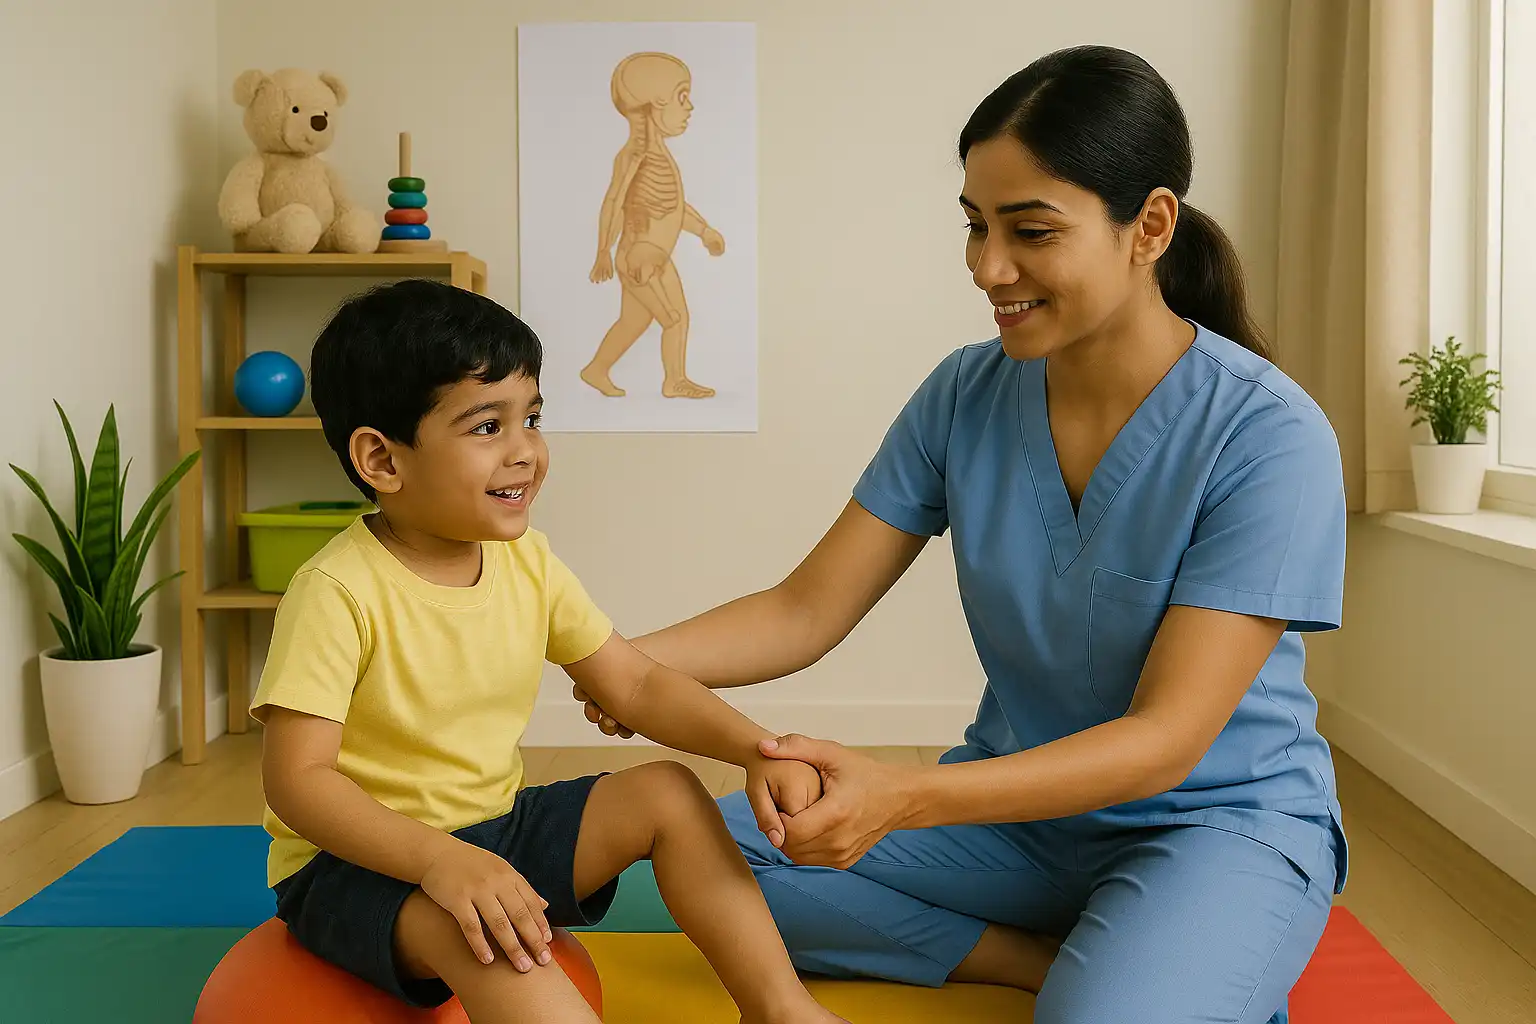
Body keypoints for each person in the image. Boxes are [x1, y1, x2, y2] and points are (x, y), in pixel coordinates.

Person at [575, 44, 1349, 1024]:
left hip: (1213, 823)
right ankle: (1028, 958)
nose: (989, 267)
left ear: (1148, 226)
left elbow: (1163, 742)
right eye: (976, 226)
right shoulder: (964, 393)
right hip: (1016, 826)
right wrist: (622, 660)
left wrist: (902, 796)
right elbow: (805, 608)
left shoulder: (1268, 436)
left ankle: (1160, 961)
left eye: (1030, 231)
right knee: (709, 857)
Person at [250, 279, 846, 1024]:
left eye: (531, 417)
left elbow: (632, 681)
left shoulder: (527, 560)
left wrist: (755, 749)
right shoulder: (335, 591)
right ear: (382, 460)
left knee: (667, 791)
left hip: (490, 828)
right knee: (493, 940)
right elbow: (298, 783)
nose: (525, 451)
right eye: (485, 427)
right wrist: (439, 861)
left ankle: (781, 1009)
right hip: (358, 868)